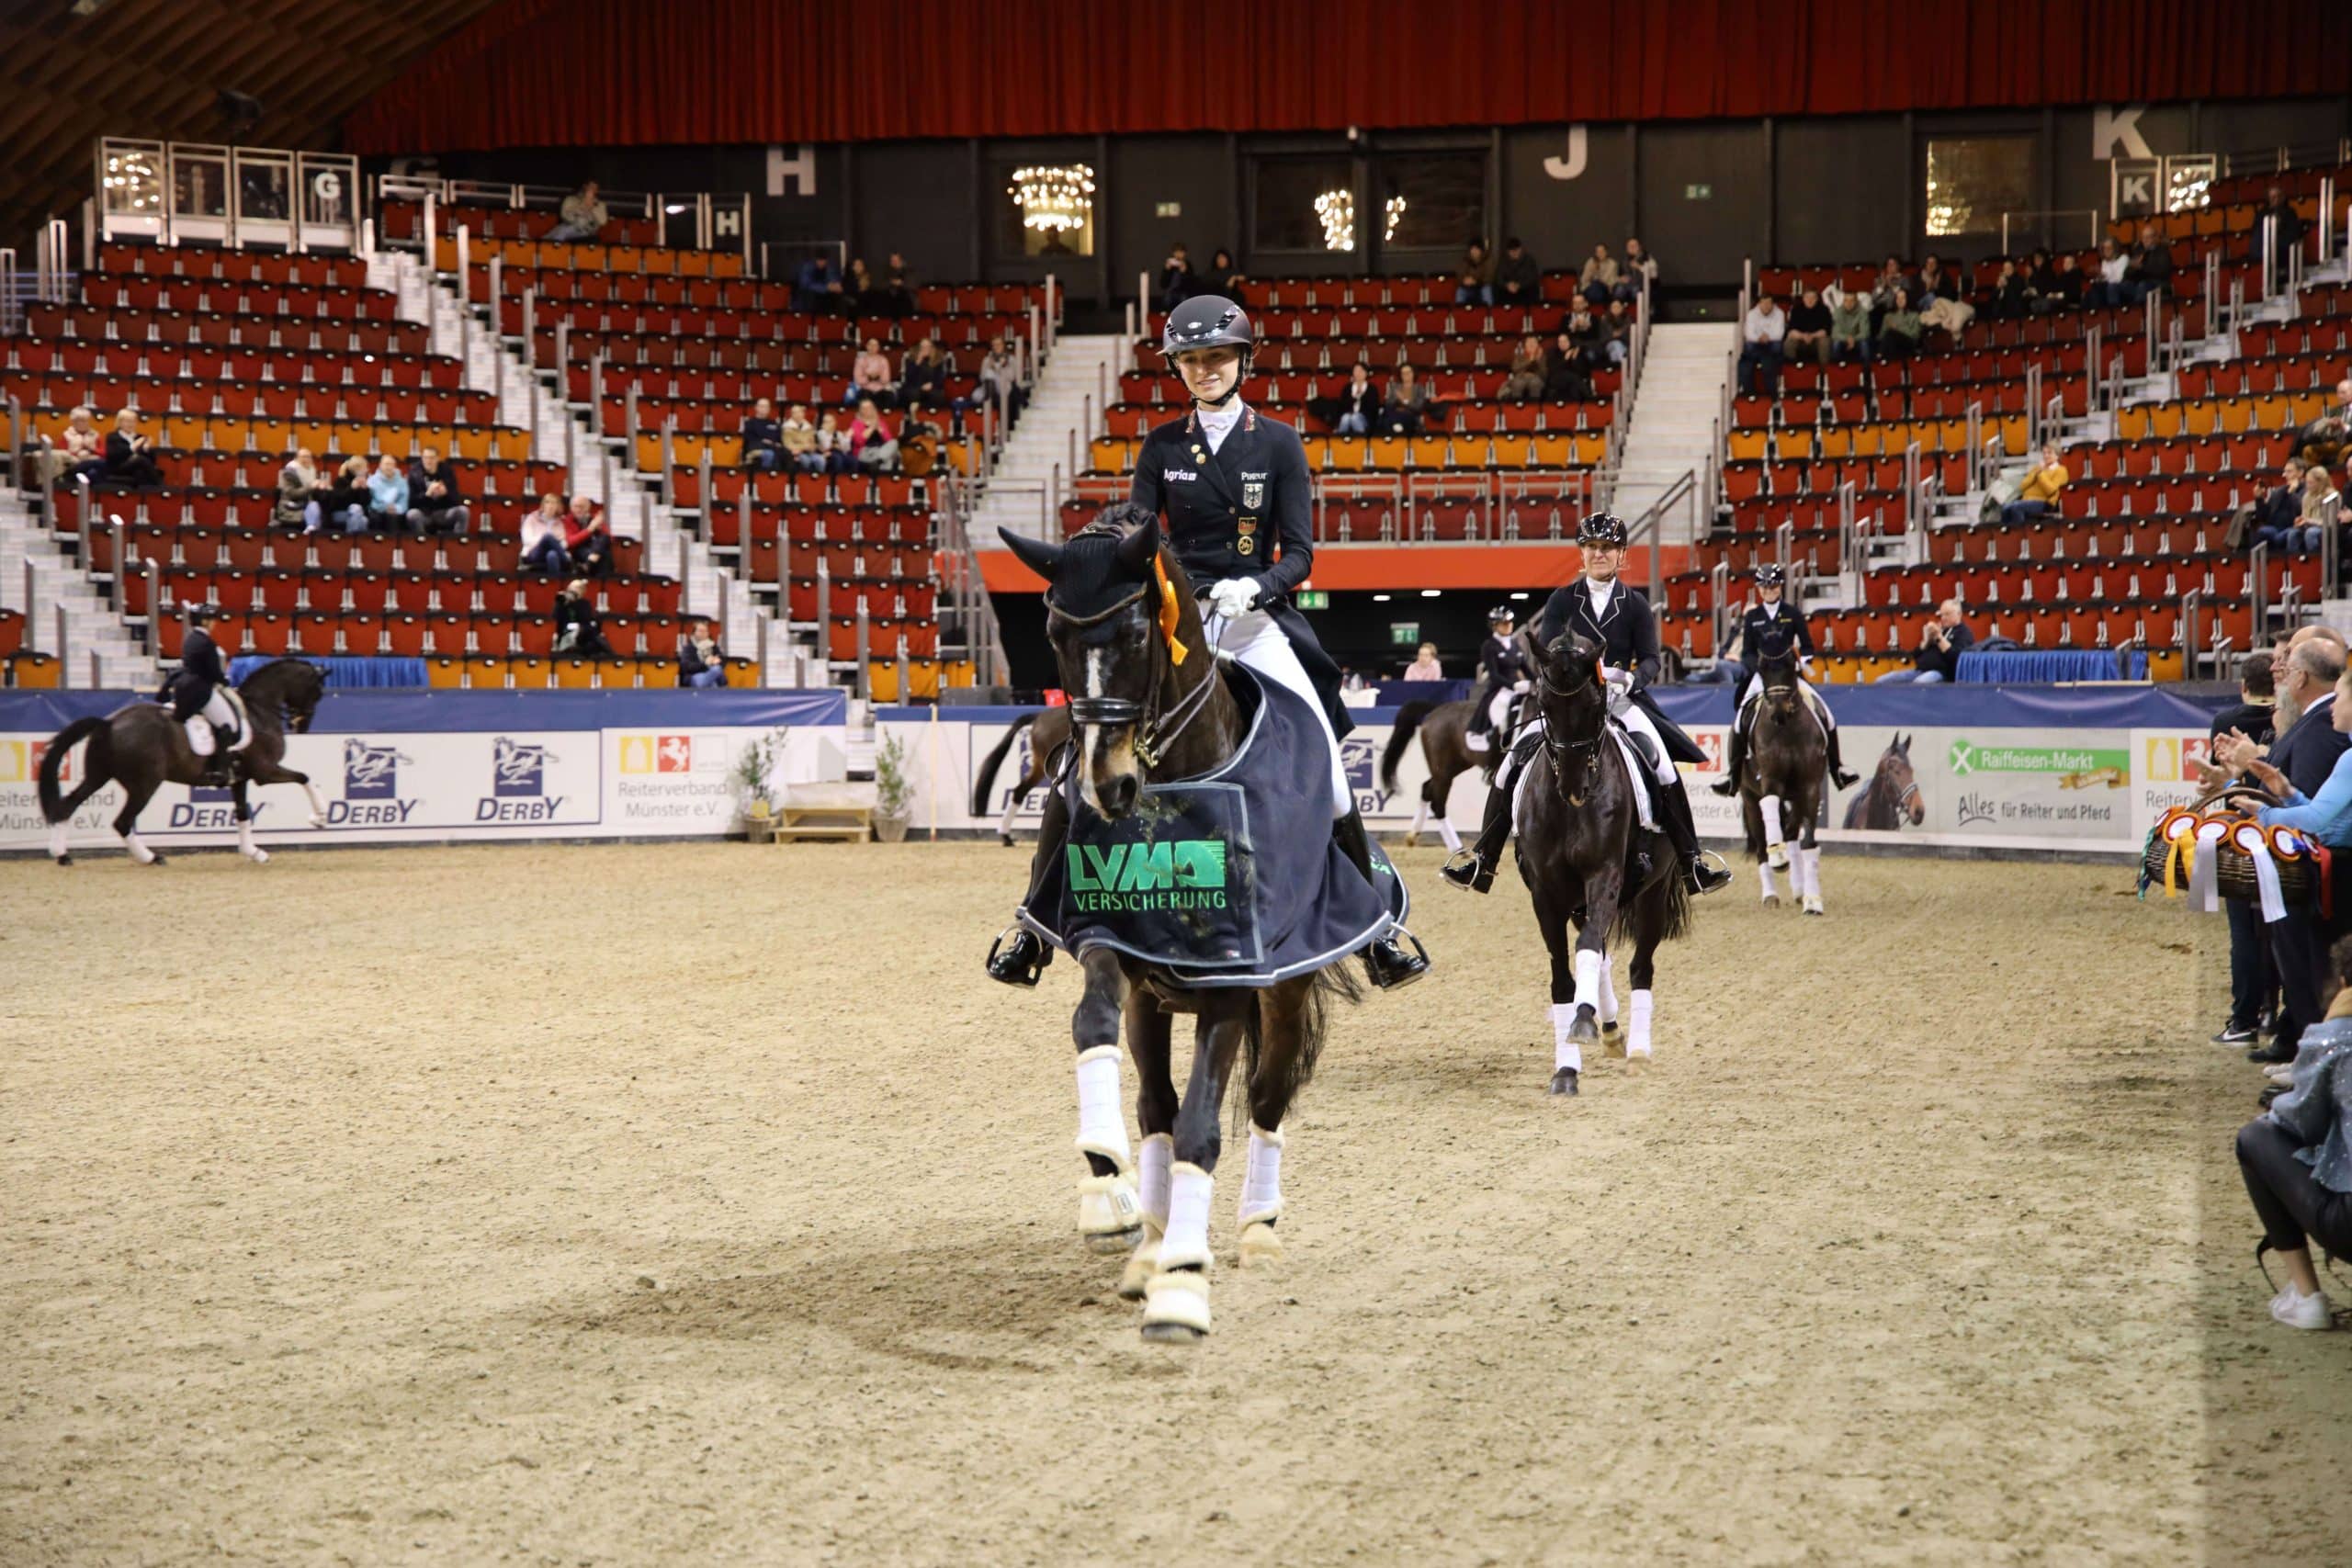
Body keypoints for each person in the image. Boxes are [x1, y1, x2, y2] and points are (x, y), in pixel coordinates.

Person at [983, 292, 1430, 991]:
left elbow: (1302, 552)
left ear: (1242, 360)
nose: (1204, 368)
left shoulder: (1278, 442)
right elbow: (1134, 524)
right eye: (1191, 360)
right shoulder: (1162, 445)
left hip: (1254, 621)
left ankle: (1375, 929)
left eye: (1216, 356)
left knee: (1331, 770)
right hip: (1175, 621)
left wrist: (1257, 587)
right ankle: (1034, 929)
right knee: (1081, 759)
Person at [1443, 512, 1732, 898]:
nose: (1599, 554)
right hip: (1570, 704)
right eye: (1592, 547)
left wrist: (1630, 678)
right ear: (1582, 553)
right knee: (1513, 760)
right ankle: (1483, 859)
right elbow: (1546, 654)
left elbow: (1650, 658)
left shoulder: (1635, 604)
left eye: (1607, 548)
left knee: (1661, 761)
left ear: (1621, 554)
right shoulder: (1563, 600)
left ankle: (1691, 862)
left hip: (1620, 700)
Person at [2219, 638, 2352, 1063]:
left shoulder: (2342, 751)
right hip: (2332, 865)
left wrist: (2266, 817)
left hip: (2335, 871)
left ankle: (2314, 1063)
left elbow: (2318, 822)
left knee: (2315, 971)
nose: (2335, 706)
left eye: (2343, 697)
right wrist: (2284, 792)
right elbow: (2317, 810)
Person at [2233, 930, 2352, 1330]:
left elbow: (2300, 1122)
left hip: (2348, 1223)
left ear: (2342, 983)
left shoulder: (2336, 1037)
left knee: (2256, 1137)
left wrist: (2279, 1102)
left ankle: (2307, 1297)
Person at [1711, 562, 1860, 795]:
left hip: (1789, 675)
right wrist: (1755, 667)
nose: (1769, 591)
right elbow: (1748, 651)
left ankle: (1837, 768)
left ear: (1779, 587)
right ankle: (1733, 775)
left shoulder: (1792, 614)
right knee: (1740, 720)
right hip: (1763, 676)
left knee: (1827, 716)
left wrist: (1804, 662)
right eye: (1764, 587)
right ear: (1759, 589)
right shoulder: (1753, 617)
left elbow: (1808, 646)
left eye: (1772, 586)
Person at [2209, 649, 2280, 1047]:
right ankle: (2275, 1011)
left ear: (2243, 686)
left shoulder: (2226, 722)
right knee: (2279, 927)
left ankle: (2245, 1017)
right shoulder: (2292, 722)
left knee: (2244, 932)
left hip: (2242, 836)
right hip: (2286, 833)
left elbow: (2220, 778)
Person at [163, 602, 238, 786]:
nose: (214, 623)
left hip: (184, 686)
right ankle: (221, 770)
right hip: (199, 690)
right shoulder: (206, 642)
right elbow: (212, 671)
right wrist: (225, 681)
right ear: (204, 621)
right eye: (212, 620)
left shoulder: (190, 639)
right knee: (227, 725)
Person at [1463, 605, 1532, 755]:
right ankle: (1501, 745)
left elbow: (1525, 668)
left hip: (1519, 686)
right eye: (1504, 623)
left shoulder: (1514, 644)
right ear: (1495, 626)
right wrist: (1514, 685)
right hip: (1500, 688)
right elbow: (1494, 675)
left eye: (1510, 622)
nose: (1508, 626)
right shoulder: (1489, 646)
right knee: (1501, 711)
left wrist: (1538, 681)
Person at [1877, 598, 1973, 683]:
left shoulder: (1964, 633)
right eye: (1942, 614)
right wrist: (1927, 640)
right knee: (1882, 681)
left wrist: (1939, 637)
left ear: (1959, 614)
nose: (1943, 618)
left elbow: (1955, 658)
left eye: (1947, 614)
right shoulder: (1941, 629)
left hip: (1941, 673)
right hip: (1920, 670)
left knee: (1920, 684)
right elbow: (1915, 654)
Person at [2254, 458, 2315, 553]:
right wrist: (2259, 499)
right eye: (2285, 472)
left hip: (2296, 527)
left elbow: (2301, 511)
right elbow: (2263, 517)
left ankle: (2294, 565)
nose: (2284, 475)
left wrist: (2292, 493)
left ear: (2300, 473)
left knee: (2291, 534)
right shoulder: (2278, 491)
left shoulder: (2308, 491)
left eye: (2289, 472)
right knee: (2263, 531)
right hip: (2276, 527)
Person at [404, 443, 467, 535]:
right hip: (424, 513)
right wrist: (427, 494)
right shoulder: (414, 473)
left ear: (438, 458)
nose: (428, 461)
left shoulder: (447, 471)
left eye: (431, 458)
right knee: (412, 514)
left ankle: (457, 542)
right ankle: (423, 543)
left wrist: (446, 493)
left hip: (443, 512)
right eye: (425, 458)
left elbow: (456, 499)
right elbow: (411, 502)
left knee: (463, 511)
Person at [2001, 444, 2069, 526]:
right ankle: (2007, 535)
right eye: (2044, 453)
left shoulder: (2061, 470)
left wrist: (2041, 474)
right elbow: (2023, 486)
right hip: (2027, 500)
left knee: (2016, 508)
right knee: (2005, 507)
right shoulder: (2037, 468)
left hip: (2045, 502)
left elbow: (2052, 491)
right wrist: (2036, 473)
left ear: (2057, 456)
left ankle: (2021, 534)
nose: (2046, 456)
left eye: (2049, 453)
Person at [38, 406, 105, 489]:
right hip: (73, 464)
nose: (84, 423)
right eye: (80, 421)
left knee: (94, 472)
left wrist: (91, 450)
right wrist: (77, 453)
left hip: (92, 463)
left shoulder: (95, 435)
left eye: (86, 421)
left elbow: (104, 453)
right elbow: (61, 454)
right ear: (73, 422)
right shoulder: (67, 435)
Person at [2254, 184, 2305, 288]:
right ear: (2268, 199)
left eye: (2278, 196)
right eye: (2273, 197)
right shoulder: (2261, 214)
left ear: (2283, 198)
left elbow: (2292, 234)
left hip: (2283, 248)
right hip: (2264, 248)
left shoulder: (2290, 213)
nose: (2276, 200)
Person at [1738, 293, 1787, 396]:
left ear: (1773, 304)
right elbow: (1749, 334)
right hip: (1757, 344)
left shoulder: (1779, 313)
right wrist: (1759, 338)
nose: (1766, 306)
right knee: (1748, 350)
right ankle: (1749, 394)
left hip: (1771, 345)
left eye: (1769, 303)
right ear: (1759, 304)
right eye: (1764, 303)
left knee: (1776, 348)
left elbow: (1779, 334)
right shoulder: (1752, 314)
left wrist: (1767, 337)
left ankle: (1771, 396)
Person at [308, 455, 370, 534]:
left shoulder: (364, 482)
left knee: (364, 520)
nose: (367, 470)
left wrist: (365, 490)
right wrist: (351, 488)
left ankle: (355, 540)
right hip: (340, 513)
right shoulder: (340, 481)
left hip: (358, 515)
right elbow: (338, 501)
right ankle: (350, 539)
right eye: (365, 467)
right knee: (355, 508)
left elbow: (365, 504)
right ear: (357, 468)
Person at [103, 409, 162, 488]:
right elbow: (113, 456)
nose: (130, 424)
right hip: (119, 467)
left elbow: (152, 460)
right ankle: (160, 487)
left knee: (140, 472)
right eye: (127, 421)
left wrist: (146, 449)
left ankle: (146, 496)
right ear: (119, 423)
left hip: (136, 468)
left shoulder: (140, 437)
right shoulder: (112, 437)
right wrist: (132, 447)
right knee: (140, 460)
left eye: (133, 421)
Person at [978, 337, 1026, 425]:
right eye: (994, 345)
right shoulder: (987, 360)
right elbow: (982, 378)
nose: (997, 347)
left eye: (999, 344)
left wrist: (1000, 368)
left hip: (1006, 388)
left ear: (1003, 345)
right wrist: (990, 367)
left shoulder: (1011, 359)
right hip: (990, 388)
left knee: (1011, 393)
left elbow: (1012, 377)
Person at [520, 491, 571, 574]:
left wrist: (553, 544)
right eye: (548, 502)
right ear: (543, 505)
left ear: (558, 507)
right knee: (547, 537)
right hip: (534, 552)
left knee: (552, 555)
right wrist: (545, 541)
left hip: (554, 551)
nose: (550, 506)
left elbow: (564, 541)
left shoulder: (561, 522)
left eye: (554, 503)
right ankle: (565, 559)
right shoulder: (532, 518)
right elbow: (527, 540)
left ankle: (554, 584)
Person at [544, 181, 609, 243]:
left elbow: (603, 222)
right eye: (591, 187)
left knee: (563, 231)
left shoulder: (600, 205)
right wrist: (582, 206)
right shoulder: (571, 200)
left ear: (597, 191)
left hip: (587, 231)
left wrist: (592, 207)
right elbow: (564, 215)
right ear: (585, 187)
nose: (592, 189)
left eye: (595, 188)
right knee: (550, 235)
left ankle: (556, 251)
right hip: (569, 226)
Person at [563, 493, 612, 576]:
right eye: (576, 506)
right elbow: (571, 542)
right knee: (604, 556)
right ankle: (600, 583)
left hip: (593, 548)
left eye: (582, 507)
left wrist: (598, 529)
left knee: (604, 539)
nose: (578, 509)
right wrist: (590, 529)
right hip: (577, 550)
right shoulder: (566, 520)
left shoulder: (594, 518)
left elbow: (609, 539)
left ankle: (589, 564)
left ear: (588, 508)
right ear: (571, 508)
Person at [1782, 288, 1833, 367]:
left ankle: (1824, 371)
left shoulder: (1824, 310)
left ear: (1817, 299)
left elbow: (1826, 331)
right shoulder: (1796, 309)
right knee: (1789, 342)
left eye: (1813, 297)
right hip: (1800, 339)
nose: (1810, 300)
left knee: (1825, 342)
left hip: (1817, 339)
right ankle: (1792, 369)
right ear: (1803, 298)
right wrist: (1803, 336)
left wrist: (1812, 336)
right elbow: (1792, 331)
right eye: (1807, 297)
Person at [275, 447, 321, 529]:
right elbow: (292, 494)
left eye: (309, 457)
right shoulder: (290, 473)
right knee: (314, 508)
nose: (307, 459)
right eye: (304, 457)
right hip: (291, 507)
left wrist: (322, 487)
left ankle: (312, 531)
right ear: (296, 458)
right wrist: (310, 487)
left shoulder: (313, 471)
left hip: (308, 505)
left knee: (316, 506)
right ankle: (311, 532)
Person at [848, 398, 899, 472]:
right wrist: (872, 427)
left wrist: (880, 429)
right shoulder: (856, 423)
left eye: (869, 407)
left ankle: (878, 463)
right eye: (864, 408)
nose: (867, 410)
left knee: (894, 442)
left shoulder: (881, 422)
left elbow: (889, 440)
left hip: (880, 451)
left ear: (873, 408)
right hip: (865, 452)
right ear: (860, 411)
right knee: (888, 458)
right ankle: (879, 466)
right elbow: (859, 441)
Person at [1382, 362, 1431, 435]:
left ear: (1413, 373)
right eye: (1403, 373)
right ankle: (1396, 426)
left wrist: (1404, 401)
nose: (1406, 375)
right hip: (1394, 413)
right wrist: (1396, 399)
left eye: (1408, 372)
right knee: (1384, 414)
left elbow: (1418, 408)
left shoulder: (1419, 388)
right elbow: (1388, 404)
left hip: (1410, 416)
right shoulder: (1395, 387)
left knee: (1389, 420)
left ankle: (1396, 426)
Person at [1330, 362, 1380, 435]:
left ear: (1366, 373)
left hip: (1365, 418)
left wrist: (1362, 396)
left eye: (1361, 371)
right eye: (1356, 371)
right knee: (1346, 417)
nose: (1358, 373)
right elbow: (1341, 406)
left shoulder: (1372, 389)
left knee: (1355, 417)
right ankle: (1340, 442)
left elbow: (1373, 408)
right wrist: (1353, 398)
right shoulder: (1347, 388)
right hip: (1348, 415)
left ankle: (1362, 443)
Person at [1873, 288, 1923, 362]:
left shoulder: (1914, 315)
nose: (1900, 300)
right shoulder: (1888, 316)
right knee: (1888, 337)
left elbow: (1915, 335)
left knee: (1891, 334)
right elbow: (1882, 336)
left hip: (1908, 343)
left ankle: (1879, 355)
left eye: (1903, 298)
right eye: (1898, 298)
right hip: (1891, 343)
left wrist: (1897, 328)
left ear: (1907, 299)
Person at [1543, 330, 1592, 402]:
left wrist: (1574, 359)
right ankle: (1590, 398)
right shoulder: (1553, 353)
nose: (1562, 344)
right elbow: (1553, 370)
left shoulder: (1575, 352)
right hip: (1557, 379)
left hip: (1573, 381)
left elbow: (1582, 372)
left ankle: (1576, 410)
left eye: (1565, 341)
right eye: (1560, 342)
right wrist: (1565, 359)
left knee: (1574, 386)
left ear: (1570, 342)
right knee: (1571, 376)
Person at [845, 338, 894, 409]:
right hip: (866, 389)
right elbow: (858, 380)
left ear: (878, 347)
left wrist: (877, 376)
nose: (873, 347)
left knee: (889, 396)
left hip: (881, 389)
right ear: (867, 346)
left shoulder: (883, 360)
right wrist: (869, 377)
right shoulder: (860, 360)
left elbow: (886, 379)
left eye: (875, 345)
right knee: (865, 396)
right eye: (871, 345)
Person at [678, 619, 727, 688]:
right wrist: (705, 664)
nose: (703, 633)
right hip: (695, 675)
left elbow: (722, 661)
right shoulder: (689, 648)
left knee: (714, 678)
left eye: (706, 631)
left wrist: (717, 661)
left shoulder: (713, 646)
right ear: (694, 632)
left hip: (712, 674)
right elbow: (686, 667)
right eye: (700, 631)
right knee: (716, 671)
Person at [365, 455, 409, 531]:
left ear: (395, 466)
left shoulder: (402, 482)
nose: (388, 467)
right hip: (377, 510)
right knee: (375, 517)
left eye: (391, 464)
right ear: (380, 465)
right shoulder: (372, 480)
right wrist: (384, 507)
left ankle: (394, 542)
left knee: (393, 517)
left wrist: (396, 508)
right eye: (386, 464)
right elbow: (370, 501)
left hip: (395, 511)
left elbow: (404, 500)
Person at [1828, 290, 1872, 364]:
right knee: (1836, 343)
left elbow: (1865, 333)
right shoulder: (1837, 312)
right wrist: (1847, 338)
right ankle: (1835, 370)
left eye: (1852, 301)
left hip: (1858, 339)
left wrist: (1853, 339)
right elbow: (1835, 333)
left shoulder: (1863, 312)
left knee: (1864, 344)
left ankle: (1866, 370)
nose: (1849, 303)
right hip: (1842, 339)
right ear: (1843, 301)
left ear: (1856, 302)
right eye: (1846, 300)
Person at [1501, 333, 1547, 402]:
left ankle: (1534, 408)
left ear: (1538, 345)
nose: (1531, 345)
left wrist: (1537, 361)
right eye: (1529, 343)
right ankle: (1517, 406)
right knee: (1518, 384)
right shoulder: (1519, 356)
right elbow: (1515, 369)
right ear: (1525, 345)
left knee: (1535, 383)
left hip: (1536, 377)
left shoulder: (1542, 357)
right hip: (1521, 377)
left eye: (1533, 343)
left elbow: (1544, 374)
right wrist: (1530, 361)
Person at [1566, 299, 1609, 370]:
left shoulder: (1594, 318)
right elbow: (1563, 335)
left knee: (1590, 354)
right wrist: (1574, 328)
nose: (1577, 305)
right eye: (1575, 303)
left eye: (1580, 302)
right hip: (1573, 346)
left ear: (1586, 304)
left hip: (1589, 346)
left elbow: (1597, 336)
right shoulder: (1566, 318)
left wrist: (1587, 327)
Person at [742, 398, 784, 471]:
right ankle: (764, 476)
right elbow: (749, 440)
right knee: (769, 454)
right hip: (756, 449)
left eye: (766, 406)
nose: (764, 409)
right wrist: (763, 441)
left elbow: (779, 439)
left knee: (786, 454)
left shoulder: (774, 423)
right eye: (762, 406)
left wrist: (775, 444)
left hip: (774, 448)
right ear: (756, 408)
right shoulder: (750, 423)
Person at [1495, 237, 1540, 304]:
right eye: (1511, 251)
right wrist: (1507, 285)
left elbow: (1532, 277)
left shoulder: (1529, 260)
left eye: (1516, 250)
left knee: (1532, 289)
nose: (1514, 253)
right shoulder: (1503, 261)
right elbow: (1499, 277)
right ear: (1508, 251)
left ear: (1520, 249)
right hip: (1508, 288)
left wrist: (1519, 285)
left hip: (1524, 288)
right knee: (1497, 289)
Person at [780, 403, 821, 473]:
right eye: (795, 413)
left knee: (820, 460)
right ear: (792, 414)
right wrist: (804, 447)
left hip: (809, 452)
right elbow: (788, 444)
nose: (798, 414)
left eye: (800, 412)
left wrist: (812, 447)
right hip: (796, 453)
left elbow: (813, 443)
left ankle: (820, 480)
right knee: (805, 460)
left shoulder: (809, 427)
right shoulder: (787, 428)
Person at [1616, 238, 1657, 304]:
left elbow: (1654, 275)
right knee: (1619, 290)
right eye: (1630, 246)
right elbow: (1619, 275)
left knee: (1635, 290)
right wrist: (1621, 279)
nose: (1632, 248)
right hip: (1627, 284)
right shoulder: (1624, 260)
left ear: (1639, 247)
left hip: (1641, 284)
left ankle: (1637, 311)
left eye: (1634, 246)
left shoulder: (1647, 258)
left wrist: (1639, 267)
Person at [1578, 243, 1621, 308]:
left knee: (1597, 284)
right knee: (1594, 286)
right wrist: (1592, 271)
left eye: (1602, 251)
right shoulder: (1591, 262)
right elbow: (1583, 280)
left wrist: (1597, 275)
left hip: (1604, 289)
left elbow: (1610, 281)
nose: (1599, 254)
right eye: (1597, 252)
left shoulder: (1612, 263)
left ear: (1607, 252)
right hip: (1589, 289)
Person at [1455, 241, 1496, 306]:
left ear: (1481, 250)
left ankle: (1490, 313)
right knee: (1460, 291)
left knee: (1487, 290)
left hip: (1482, 286)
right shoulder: (1465, 260)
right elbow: (1460, 275)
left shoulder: (1488, 260)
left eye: (1476, 249)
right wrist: (1464, 280)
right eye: (1472, 249)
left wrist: (1476, 281)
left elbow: (1489, 277)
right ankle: (1459, 313)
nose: (1474, 251)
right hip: (1468, 287)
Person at [1158, 243, 1195, 311]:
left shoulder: (1188, 265)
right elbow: (1162, 284)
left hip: (1183, 292)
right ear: (1173, 253)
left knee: (1184, 298)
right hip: (1170, 292)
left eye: (1180, 252)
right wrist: (1167, 270)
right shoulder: (1170, 265)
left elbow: (1191, 285)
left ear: (1184, 253)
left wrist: (1184, 273)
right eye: (1176, 252)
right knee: (1167, 297)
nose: (1178, 254)